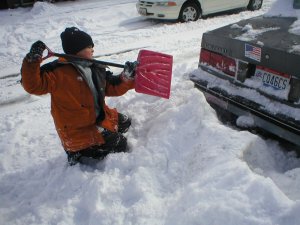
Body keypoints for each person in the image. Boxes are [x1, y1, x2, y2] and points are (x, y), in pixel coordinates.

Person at [21, 27, 137, 165]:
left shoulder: (95, 67)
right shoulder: (57, 72)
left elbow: (112, 87)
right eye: (89, 46)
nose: (93, 49)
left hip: (99, 117)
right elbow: (32, 85)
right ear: (77, 50)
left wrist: (126, 77)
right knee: (120, 143)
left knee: (126, 122)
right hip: (78, 131)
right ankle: (78, 153)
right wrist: (32, 61)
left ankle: (103, 135)